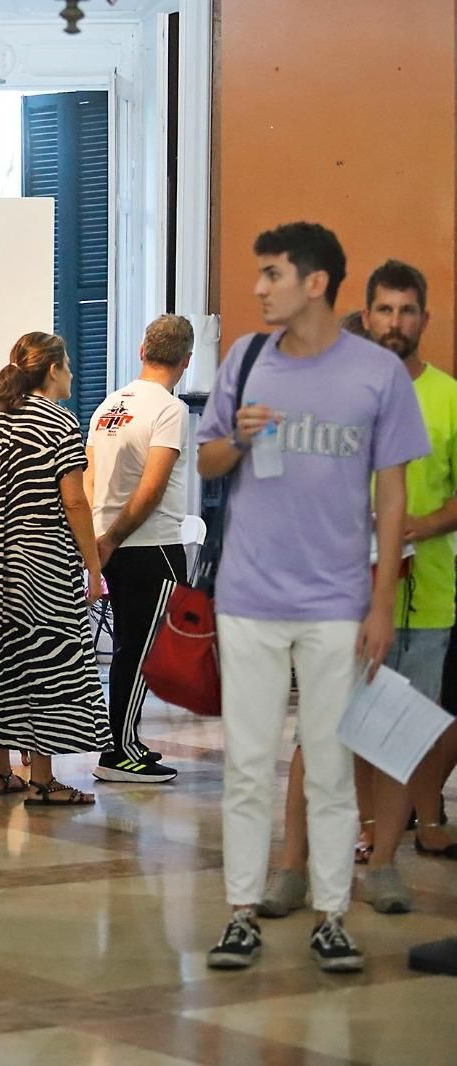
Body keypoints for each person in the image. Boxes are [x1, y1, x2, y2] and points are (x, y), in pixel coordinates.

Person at [196, 222, 427, 974]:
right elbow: (208, 457)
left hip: (336, 602)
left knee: (330, 764)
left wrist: (382, 600)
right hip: (249, 597)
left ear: (315, 282)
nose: (260, 288)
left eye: (272, 275)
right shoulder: (246, 357)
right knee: (247, 764)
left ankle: (332, 914)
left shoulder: (376, 374)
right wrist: (242, 441)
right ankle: (240, 914)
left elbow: (392, 494)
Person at [262, 260, 457, 920]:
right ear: (366, 317)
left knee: (401, 736)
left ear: (423, 321)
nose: (395, 324)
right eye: (384, 312)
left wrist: (416, 525)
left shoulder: (449, 398)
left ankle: (381, 866)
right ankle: (292, 868)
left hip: (424, 596)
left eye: (408, 313)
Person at [0, 332, 108, 806]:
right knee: (49, 663)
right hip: (44, 562)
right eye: (67, 365)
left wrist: (11, 497)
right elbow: (74, 499)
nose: (71, 373)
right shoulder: (61, 424)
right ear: (52, 370)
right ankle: (44, 780)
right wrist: (93, 565)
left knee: (3, 660)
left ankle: (0, 771)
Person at [82, 314, 195, 785]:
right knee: (143, 651)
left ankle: (123, 739)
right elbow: (151, 491)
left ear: (141, 352)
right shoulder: (170, 410)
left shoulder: (110, 404)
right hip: (152, 546)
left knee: (129, 645)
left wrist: (97, 541)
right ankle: (121, 750)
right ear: (185, 362)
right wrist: (113, 539)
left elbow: (88, 479)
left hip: (114, 543)